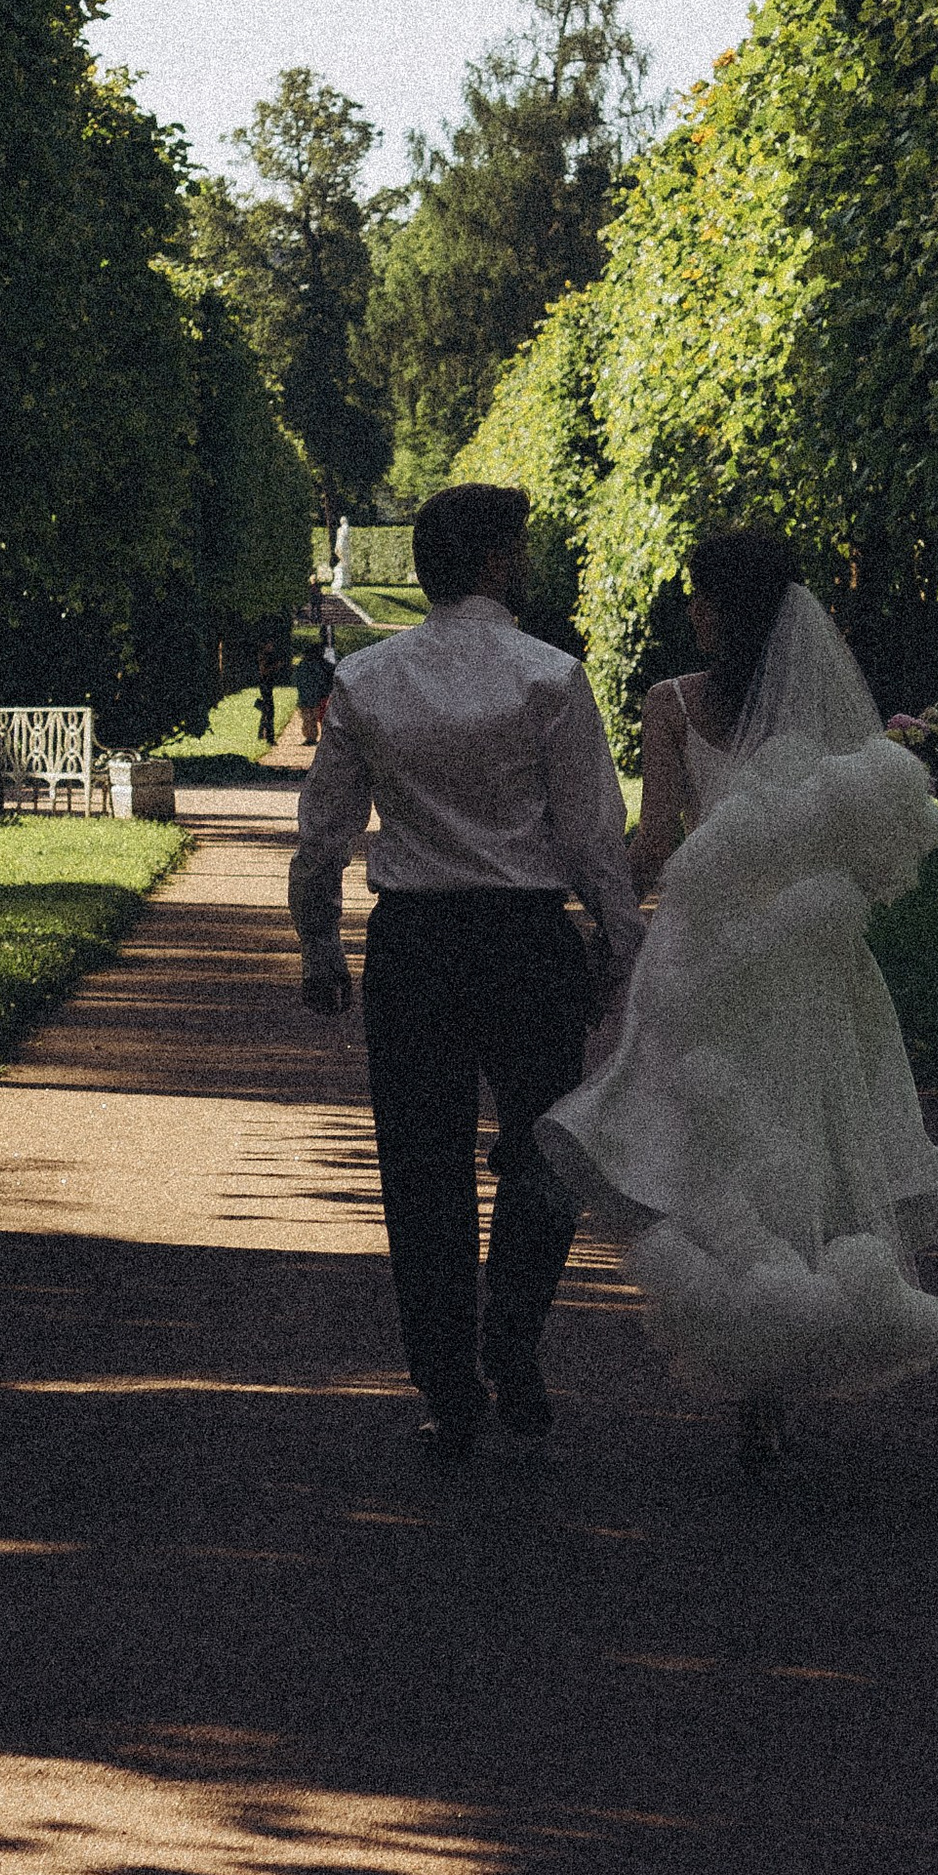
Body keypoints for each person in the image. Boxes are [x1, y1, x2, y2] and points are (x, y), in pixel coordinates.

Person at [540, 525, 938, 1477]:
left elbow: (655, 842)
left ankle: (754, 1356)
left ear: (719, 608)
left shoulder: (672, 706)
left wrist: (587, 890)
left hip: (704, 966)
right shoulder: (823, 711)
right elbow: (864, 841)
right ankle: (782, 1360)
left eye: (699, 595)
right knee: (805, 1147)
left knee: (713, 1156)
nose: (690, 610)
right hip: (808, 964)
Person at [289, 480, 643, 1460]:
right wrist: (619, 942)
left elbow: (322, 833)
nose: (527, 562)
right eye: (519, 547)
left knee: (422, 1170)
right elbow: (590, 836)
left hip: (414, 945)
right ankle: (512, 1337)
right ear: (493, 561)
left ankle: (446, 1384)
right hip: (527, 943)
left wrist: (318, 942)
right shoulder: (549, 677)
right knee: (544, 1155)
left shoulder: (368, 680)